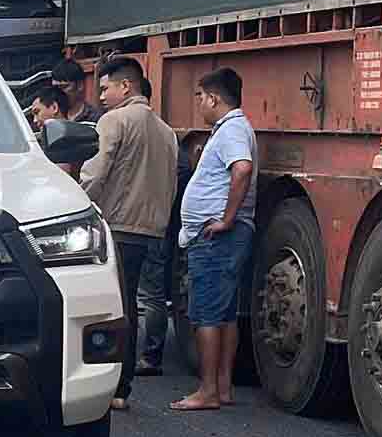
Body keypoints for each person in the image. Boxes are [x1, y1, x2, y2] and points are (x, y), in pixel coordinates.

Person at [78, 56, 179, 411]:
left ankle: (116, 384)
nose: (101, 96)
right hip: (153, 229)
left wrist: (76, 202)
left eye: (105, 88)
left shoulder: (113, 121)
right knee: (141, 300)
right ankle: (125, 382)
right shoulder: (167, 132)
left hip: (118, 225)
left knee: (114, 307)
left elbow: (95, 172)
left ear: (126, 86)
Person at [171, 67, 257, 412]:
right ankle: (222, 386)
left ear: (213, 98)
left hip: (216, 237)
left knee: (206, 312)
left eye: (200, 97)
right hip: (220, 235)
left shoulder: (232, 129)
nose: (199, 104)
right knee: (224, 313)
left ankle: (207, 390)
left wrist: (227, 219)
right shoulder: (231, 129)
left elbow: (242, 168)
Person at [135, 143, 195, 377]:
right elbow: (183, 170)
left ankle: (132, 356)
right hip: (157, 222)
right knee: (152, 295)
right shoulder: (166, 136)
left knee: (137, 293)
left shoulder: (117, 129)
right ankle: (151, 356)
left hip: (133, 223)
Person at [28, 85, 78, 177]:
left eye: (37, 112)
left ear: (54, 107)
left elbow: (60, 175)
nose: (35, 120)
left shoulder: (65, 138)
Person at [52, 58, 99, 124]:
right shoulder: (51, 117)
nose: (58, 92)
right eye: (55, 88)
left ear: (80, 85)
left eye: (64, 87)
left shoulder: (95, 118)